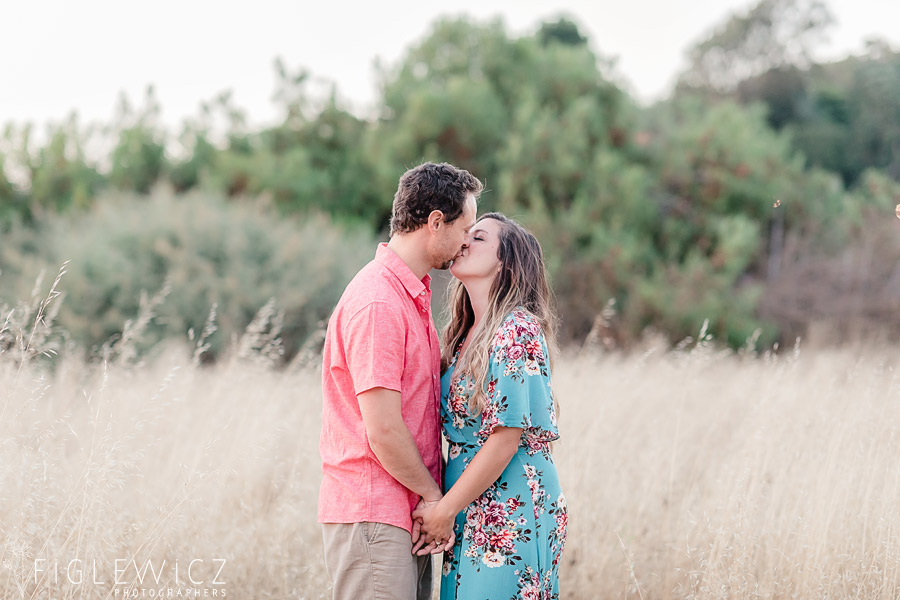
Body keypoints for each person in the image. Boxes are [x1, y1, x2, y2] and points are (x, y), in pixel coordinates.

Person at [318, 162, 482, 600]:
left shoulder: (410, 295)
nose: (467, 240)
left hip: (401, 513)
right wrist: (435, 500)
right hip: (375, 511)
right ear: (434, 223)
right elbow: (384, 428)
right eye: (465, 227)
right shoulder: (378, 302)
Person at [412, 213, 567, 599]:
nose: (463, 241)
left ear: (506, 260)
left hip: (510, 504)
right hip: (466, 503)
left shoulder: (517, 329)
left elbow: (504, 440)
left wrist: (445, 510)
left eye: (477, 237)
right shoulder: (463, 336)